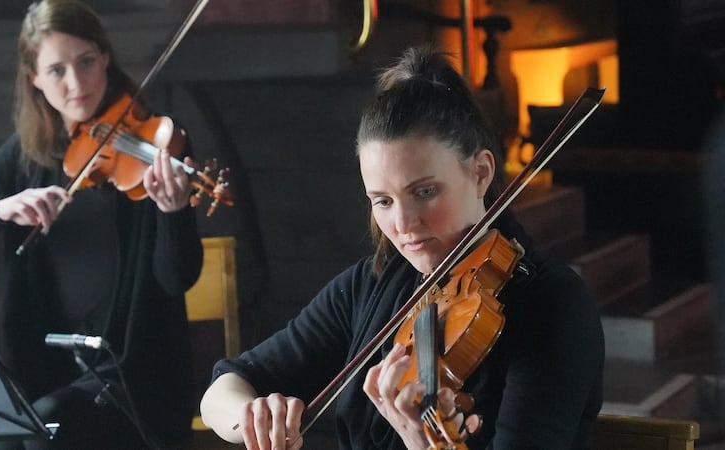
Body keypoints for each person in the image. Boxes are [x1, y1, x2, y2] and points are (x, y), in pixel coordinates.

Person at [200, 45, 604, 450]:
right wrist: (251, 418)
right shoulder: (371, 285)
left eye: (425, 192)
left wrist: (422, 443)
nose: (404, 224)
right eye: (383, 200)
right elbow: (226, 385)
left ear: (481, 173)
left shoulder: (551, 306)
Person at [0, 1, 204, 449]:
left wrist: (173, 212)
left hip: (129, 378)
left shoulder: (151, 146)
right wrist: (1, 209)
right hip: (40, 370)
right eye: (57, 70)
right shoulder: (23, 159)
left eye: (86, 62)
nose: (76, 84)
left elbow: (177, 279)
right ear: (33, 78)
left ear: (105, 58)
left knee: (48, 431)